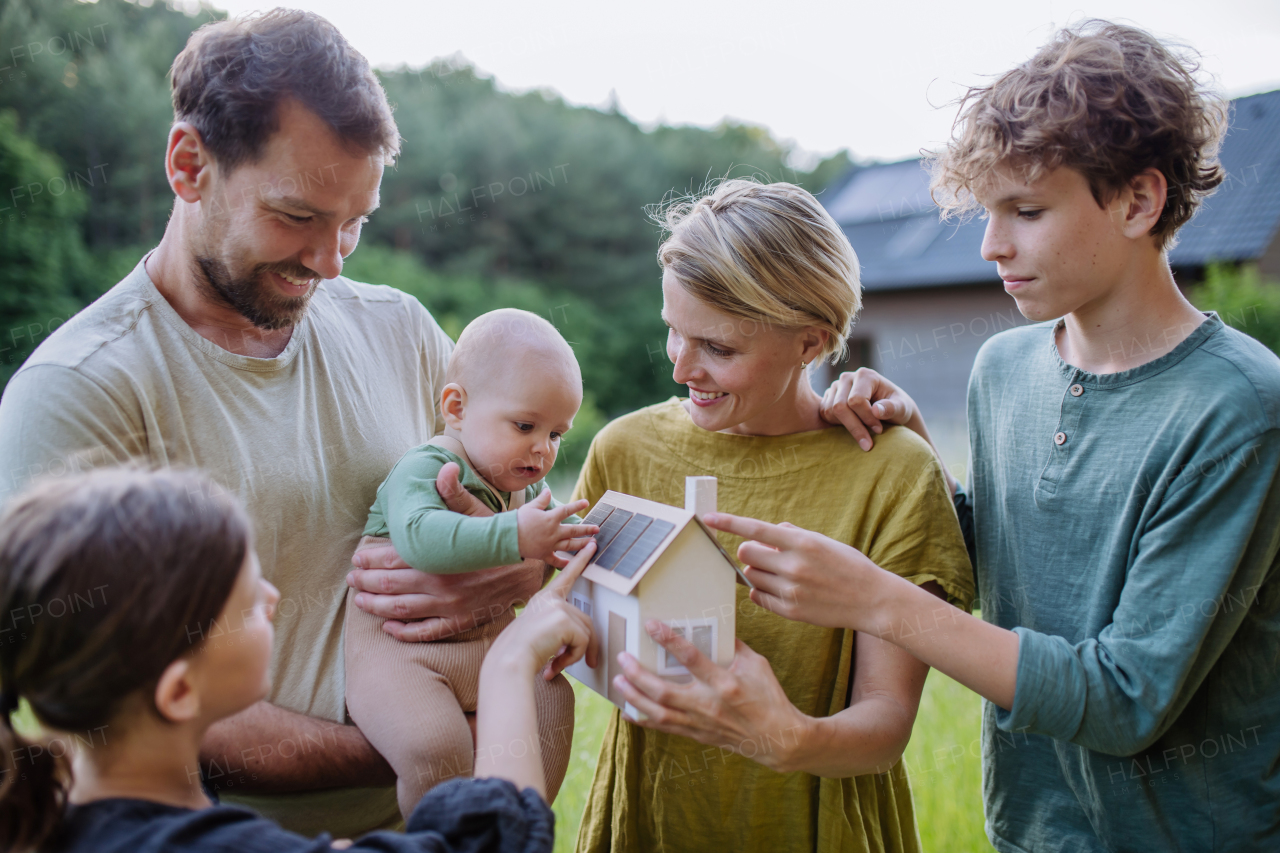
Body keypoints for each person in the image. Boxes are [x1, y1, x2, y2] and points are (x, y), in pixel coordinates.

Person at [713, 21, 1280, 853]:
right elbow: (1007, 563)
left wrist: (878, 599)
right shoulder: (1004, 368)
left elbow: (1125, 697)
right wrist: (916, 471)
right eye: (987, 212)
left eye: (1026, 210)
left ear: (1138, 200)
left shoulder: (1238, 408)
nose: (991, 245)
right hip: (1030, 828)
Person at [0, 11, 548, 836]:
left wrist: (513, 567)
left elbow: (523, 480)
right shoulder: (77, 393)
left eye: (354, 222)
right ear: (189, 165)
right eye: (298, 216)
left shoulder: (400, 329)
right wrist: (422, 744)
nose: (330, 261)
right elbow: (119, 710)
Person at [571, 179, 973, 852]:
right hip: (652, 821)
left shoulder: (891, 472)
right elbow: (573, 630)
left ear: (812, 342)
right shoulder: (624, 451)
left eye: (718, 348)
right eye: (673, 331)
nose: (680, 367)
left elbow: (886, 723)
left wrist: (785, 735)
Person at [0, 467, 598, 853]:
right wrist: (510, 665)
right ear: (179, 692)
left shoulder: (58, 821)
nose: (272, 597)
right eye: (247, 598)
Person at [346, 308, 599, 818]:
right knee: (436, 747)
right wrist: (517, 535)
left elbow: (531, 564)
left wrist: (556, 549)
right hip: (402, 655)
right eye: (526, 425)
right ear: (456, 407)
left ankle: (516, 826)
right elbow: (421, 539)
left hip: (483, 653)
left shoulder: (520, 489)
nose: (542, 449)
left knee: (551, 699)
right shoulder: (426, 466)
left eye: (555, 434)